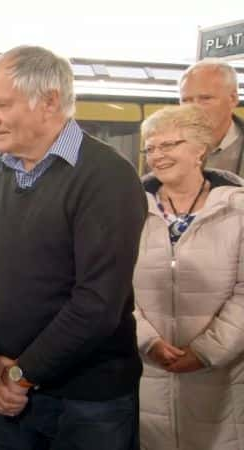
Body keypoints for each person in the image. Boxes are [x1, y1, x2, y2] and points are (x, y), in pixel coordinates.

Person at [0, 46, 146, 450]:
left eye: (1, 104)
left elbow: (97, 304)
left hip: (87, 404)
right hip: (9, 397)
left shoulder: (106, 177)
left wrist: (19, 375)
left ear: (49, 102)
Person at [134, 104, 244, 450]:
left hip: (223, 381)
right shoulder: (128, 208)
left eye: (169, 145)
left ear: (200, 149)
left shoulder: (237, 210)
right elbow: (113, 286)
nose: (157, 155)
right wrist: (147, 341)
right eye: (151, 148)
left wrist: (206, 351)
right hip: (146, 375)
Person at [179, 59, 243, 176]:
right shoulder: (163, 146)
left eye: (205, 98)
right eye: (186, 100)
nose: (194, 108)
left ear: (233, 99)